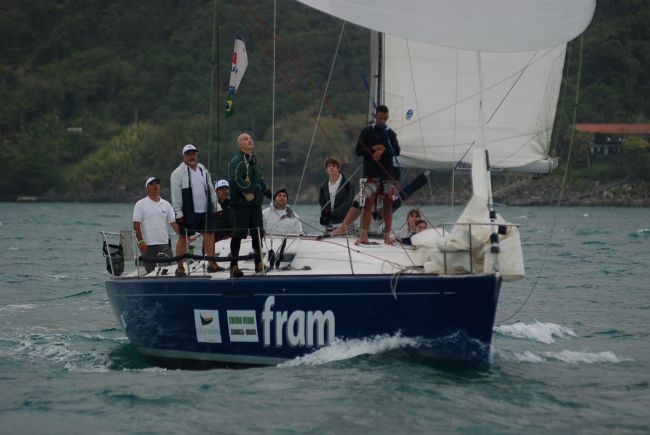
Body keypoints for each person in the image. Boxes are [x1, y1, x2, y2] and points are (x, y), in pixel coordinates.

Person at [170, 144, 224, 276]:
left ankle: (211, 263)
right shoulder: (177, 173)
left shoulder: (203, 169)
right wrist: (178, 213)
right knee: (184, 237)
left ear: (196, 154)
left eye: (193, 153)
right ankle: (180, 266)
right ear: (184, 156)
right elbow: (175, 195)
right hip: (188, 211)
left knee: (210, 235)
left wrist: (217, 207)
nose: (191, 156)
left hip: (205, 210)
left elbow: (211, 188)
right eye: (188, 154)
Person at [355, 105, 400, 245]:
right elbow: (358, 150)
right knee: (367, 203)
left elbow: (396, 151)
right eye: (380, 118)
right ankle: (363, 235)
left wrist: (383, 150)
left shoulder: (390, 133)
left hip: (387, 174)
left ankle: (387, 236)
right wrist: (373, 149)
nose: (382, 121)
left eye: (385, 119)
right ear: (375, 116)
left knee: (388, 204)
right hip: (370, 173)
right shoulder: (366, 131)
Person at [228, 133, 271, 278]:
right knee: (239, 234)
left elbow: (260, 177)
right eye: (246, 139)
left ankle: (258, 263)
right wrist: (255, 189)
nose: (250, 140)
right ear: (240, 144)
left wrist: (266, 190)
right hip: (241, 204)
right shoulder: (237, 161)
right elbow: (237, 181)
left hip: (255, 204)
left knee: (257, 233)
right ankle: (234, 266)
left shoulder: (254, 160)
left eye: (251, 138)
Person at [133, 177, 180, 273]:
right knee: (150, 272)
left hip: (164, 244)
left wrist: (184, 236)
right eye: (152, 184)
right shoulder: (140, 204)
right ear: (146, 188)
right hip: (147, 245)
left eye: (157, 183)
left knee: (170, 270)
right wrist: (141, 242)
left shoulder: (166, 204)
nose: (155, 185)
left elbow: (174, 223)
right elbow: (136, 225)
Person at [318, 157, 354, 227]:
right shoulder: (323, 186)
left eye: (333, 166)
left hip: (344, 221)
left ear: (338, 168)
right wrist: (326, 214)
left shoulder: (348, 184)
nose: (331, 168)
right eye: (329, 166)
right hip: (329, 222)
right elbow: (322, 202)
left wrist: (333, 213)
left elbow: (348, 203)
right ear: (326, 170)